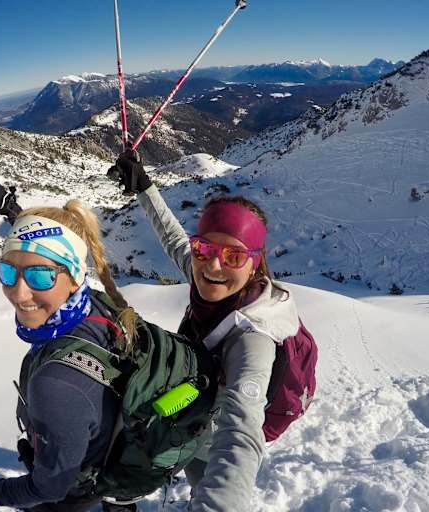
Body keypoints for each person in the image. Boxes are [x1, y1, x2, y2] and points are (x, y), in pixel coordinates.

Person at [109, 150, 317, 512]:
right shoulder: (207, 277)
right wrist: (144, 188)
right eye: (203, 248)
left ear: (254, 264)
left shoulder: (253, 340)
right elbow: (174, 239)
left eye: (234, 256)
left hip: (208, 431)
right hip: (192, 401)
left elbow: (241, 432)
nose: (214, 264)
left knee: (190, 470)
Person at [0, 199, 146, 511]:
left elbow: (50, 488)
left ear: (73, 278)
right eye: (8, 271)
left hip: (78, 484)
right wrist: (11, 210)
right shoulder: (99, 307)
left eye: (40, 276)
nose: (18, 292)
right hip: (113, 448)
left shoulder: (56, 384)